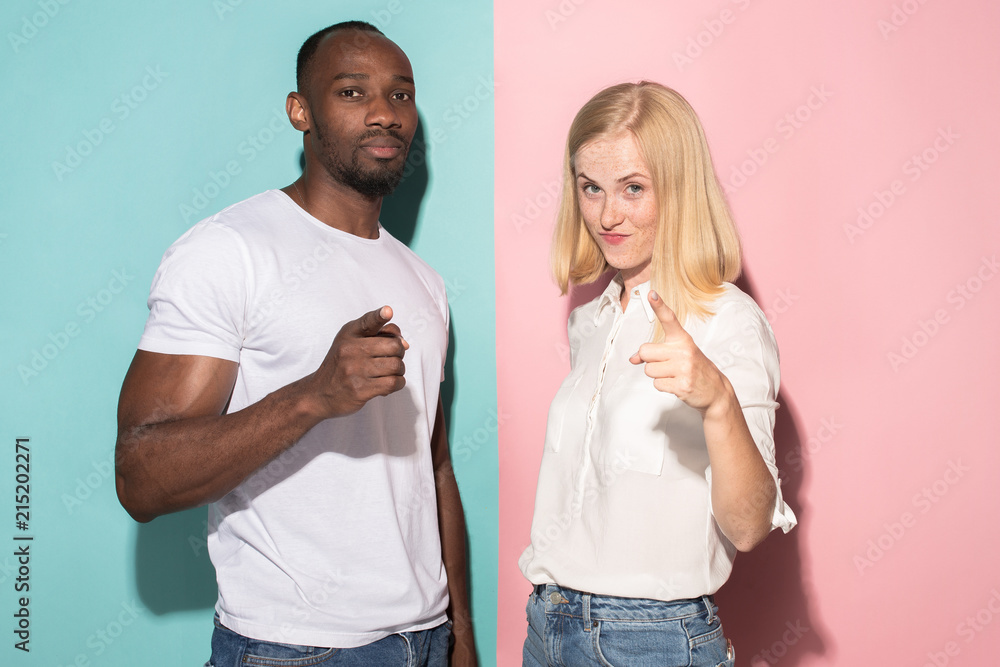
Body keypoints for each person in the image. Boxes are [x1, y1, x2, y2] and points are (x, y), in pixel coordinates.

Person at [114, 21, 476, 667]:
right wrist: (313, 395)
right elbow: (142, 476)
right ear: (299, 110)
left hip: (423, 640)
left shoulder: (424, 282)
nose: (382, 113)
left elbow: (436, 465)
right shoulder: (230, 250)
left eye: (400, 95)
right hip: (296, 645)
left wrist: (460, 633)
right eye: (351, 91)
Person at [518, 81, 797, 666]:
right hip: (548, 625)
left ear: (680, 189)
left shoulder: (728, 322)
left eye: (633, 189)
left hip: (651, 639)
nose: (607, 214)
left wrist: (718, 400)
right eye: (590, 188)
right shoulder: (591, 320)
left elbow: (748, 527)